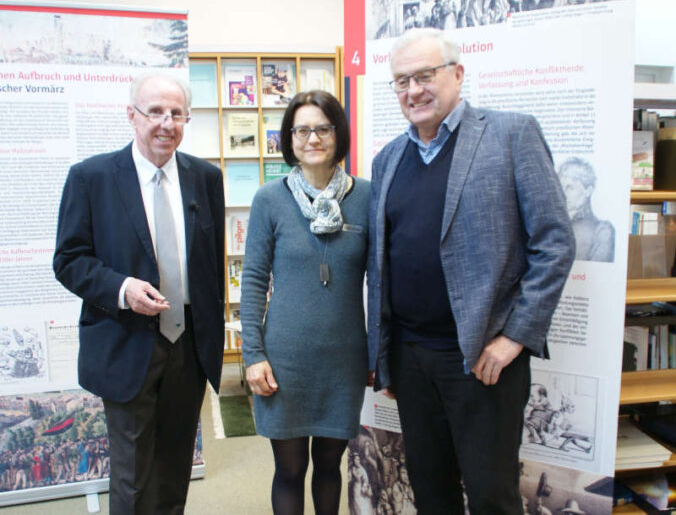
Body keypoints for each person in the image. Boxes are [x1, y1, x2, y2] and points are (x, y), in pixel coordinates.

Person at [367, 28, 575, 514]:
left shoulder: (510, 134)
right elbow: (384, 264)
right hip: (413, 361)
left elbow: (555, 243)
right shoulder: (388, 159)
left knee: (490, 497)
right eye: (401, 81)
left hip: (483, 362)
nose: (413, 90)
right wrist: (387, 353)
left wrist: (514, 338)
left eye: (424, 75)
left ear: (457, 75)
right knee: (431, 492)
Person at [53, 73, 225, 514]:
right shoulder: (91, 178)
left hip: (187, 346)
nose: (167, 123)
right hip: (126, 342)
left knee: (174, 470)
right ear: (132, 115)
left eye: (177, 113)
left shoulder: (205, 178)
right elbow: (69, 260)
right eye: (155, 112)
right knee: (131, 476)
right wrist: (123, 288)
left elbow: (209, 265)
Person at [241, 90, 369, 515]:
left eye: (322, 128)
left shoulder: (367, 197)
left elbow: (382, 280)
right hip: (285, 361)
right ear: (289, 138)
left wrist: (379, 351)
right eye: (301, 130)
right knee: (290, 470)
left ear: (339, 134)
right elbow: (254, 281)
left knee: (331, 465)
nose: (312, 138)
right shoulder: (269, 199)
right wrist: (253, 354)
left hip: (343, 360)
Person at [558, 156, 615, 262]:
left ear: (588, 191)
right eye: (561, 187)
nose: (563, 193)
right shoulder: (553, 226)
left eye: (570, 187)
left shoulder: (602, 231)